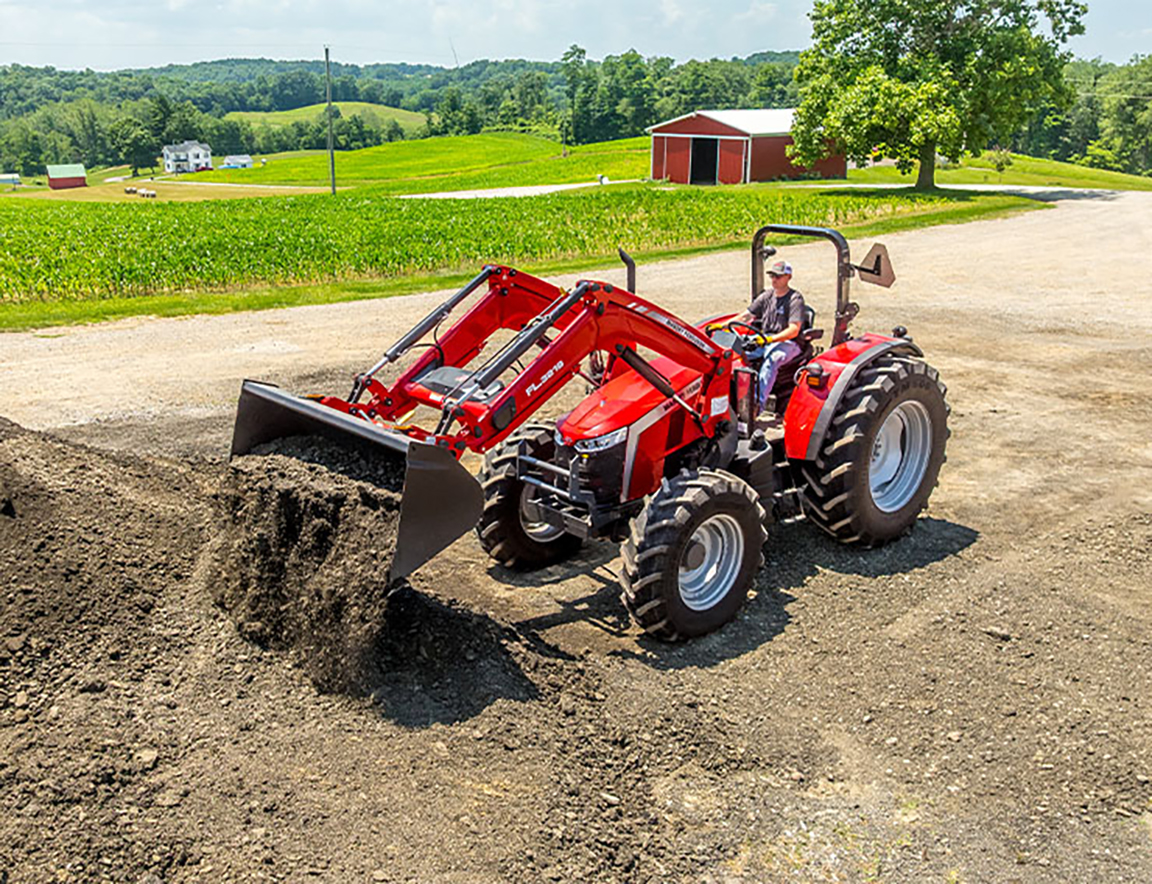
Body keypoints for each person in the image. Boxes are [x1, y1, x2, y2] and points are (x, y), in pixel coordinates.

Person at [727, 259, 806, 408]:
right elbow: (746, 315)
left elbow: (793, 330)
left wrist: (770, 339)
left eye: (778, 276)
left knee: (772, 360)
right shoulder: (767, 296)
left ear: (788, 277)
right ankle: (735, 393)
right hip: (766, 339)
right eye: (772, 276)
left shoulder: (795, 299)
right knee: (734, 350)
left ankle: (757, 405)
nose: (774, 279)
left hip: (788, 343)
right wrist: (723, 325)